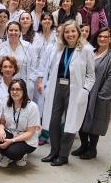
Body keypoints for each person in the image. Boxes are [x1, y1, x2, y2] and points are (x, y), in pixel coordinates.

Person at [41, 21, 96, 166]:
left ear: (78, 33)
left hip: (75, 90)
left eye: (73, 31)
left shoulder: (86, 50)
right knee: (53, 120)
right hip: (57, 87)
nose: (70, 34)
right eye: (67, 32)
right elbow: (51, 70)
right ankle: (54, 152)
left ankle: (63, 156)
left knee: (70, 123)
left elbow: (91, 75)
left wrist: (85, 91)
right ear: (62, 34)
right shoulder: (59, 48)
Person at [75, 28, 111, 160]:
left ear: (110, 39)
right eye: (100, 36)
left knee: (94, 123)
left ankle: (92, 148)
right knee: (81, 119)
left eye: (105, 37)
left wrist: (102, 95)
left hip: (99, 96)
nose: (102, 39)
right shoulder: (90, 52)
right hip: (84, 92)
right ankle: (83, 145)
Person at [0, 79, 41, 168]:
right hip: (12, 133)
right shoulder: (7, 103)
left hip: (26, 139)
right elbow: (2, 121)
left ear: (24, 91)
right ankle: (7, 155)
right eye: (12, 89)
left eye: (18, 89)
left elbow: (30, 133)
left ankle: (20, 156)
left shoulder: (32, 107)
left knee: (13, 152)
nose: (14, 92)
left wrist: (11, 141)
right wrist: (0, 129)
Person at [0, 21, 36, 89]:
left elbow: (34, 65)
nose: (13, 32)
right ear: (7, 32)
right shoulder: (1, 47)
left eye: (16, 30)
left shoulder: (28, 46)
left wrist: (31, 82)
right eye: (11, 30)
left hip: (24, 84)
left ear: (20, 32)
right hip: (5, 85)